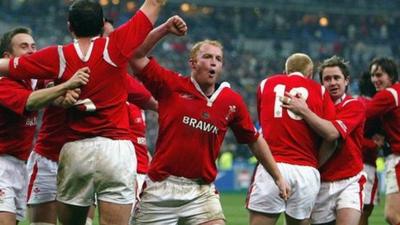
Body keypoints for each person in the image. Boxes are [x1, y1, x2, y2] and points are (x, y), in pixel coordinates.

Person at [0, 0, 166, 224]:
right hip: (116, 149)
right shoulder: (116, 46)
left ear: (70, 27)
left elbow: (10, 67)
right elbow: (153, 4)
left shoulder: (56, 55)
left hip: (76, 150)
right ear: (101, 25)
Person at [128, 16, 290, 225]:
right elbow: (136, 56)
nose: (213, 62)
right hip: (160, 189)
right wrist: (165, 29)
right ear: (193, 63)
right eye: (207, 56)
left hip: (201, 191)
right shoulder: (171, 85)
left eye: (218, 58)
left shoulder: (231, 101)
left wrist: (277, 176)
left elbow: (254, 139)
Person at [0, 27, 88, 225]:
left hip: (19, 166)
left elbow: (49, 93)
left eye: (33, 46)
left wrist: (65, 97)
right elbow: (31, 101)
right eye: (24, 47)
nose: (32, 51)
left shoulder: (32, 80)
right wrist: (66, 86)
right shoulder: (3, 82)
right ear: (7, 57)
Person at [246, 53, 336, 225]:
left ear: (285, 71)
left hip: (273, 166)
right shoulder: (321, 91)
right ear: (310, 74)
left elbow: (263, 123)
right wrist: (315, 164)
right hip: (306, 171)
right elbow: (331, 138)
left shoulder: (266, 84)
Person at [284, 56, 366, 225]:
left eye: (337, 78)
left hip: (349, 180)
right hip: (320, 182)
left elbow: (332, 134)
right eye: (327, 79)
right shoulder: (315, 106)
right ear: (321, 83)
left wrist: (304, 112)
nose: (332, 83)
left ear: (346, 80)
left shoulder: (353, 105)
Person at [365, 57, 400, 225]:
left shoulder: (387, 95)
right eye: (372, 75)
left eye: (379, 75)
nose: (374, 80)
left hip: (397, 159)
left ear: (391, 76)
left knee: (392, 216)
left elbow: (361, 115)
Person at [358, 71, 384, 225]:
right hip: (366, 164)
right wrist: (374, 144)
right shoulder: (376, 109)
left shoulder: (353, 102)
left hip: (348, 163)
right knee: (364, 210)